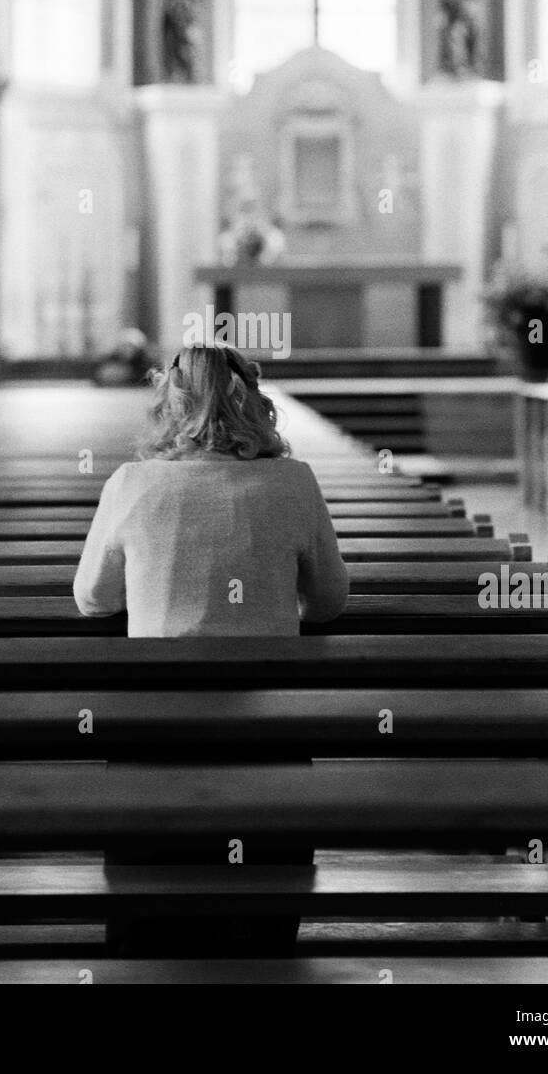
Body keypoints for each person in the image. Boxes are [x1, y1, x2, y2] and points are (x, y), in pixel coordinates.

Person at [73, 344, 349, 956]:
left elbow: (92, 599)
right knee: (267, 883)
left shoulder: (132, 483)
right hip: (271, 726)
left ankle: (146, 959)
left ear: (169, 404)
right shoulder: (293, 481)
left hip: (154, 729)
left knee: (148, 887)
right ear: (251, 401)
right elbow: (329, 601)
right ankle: (265, 958)